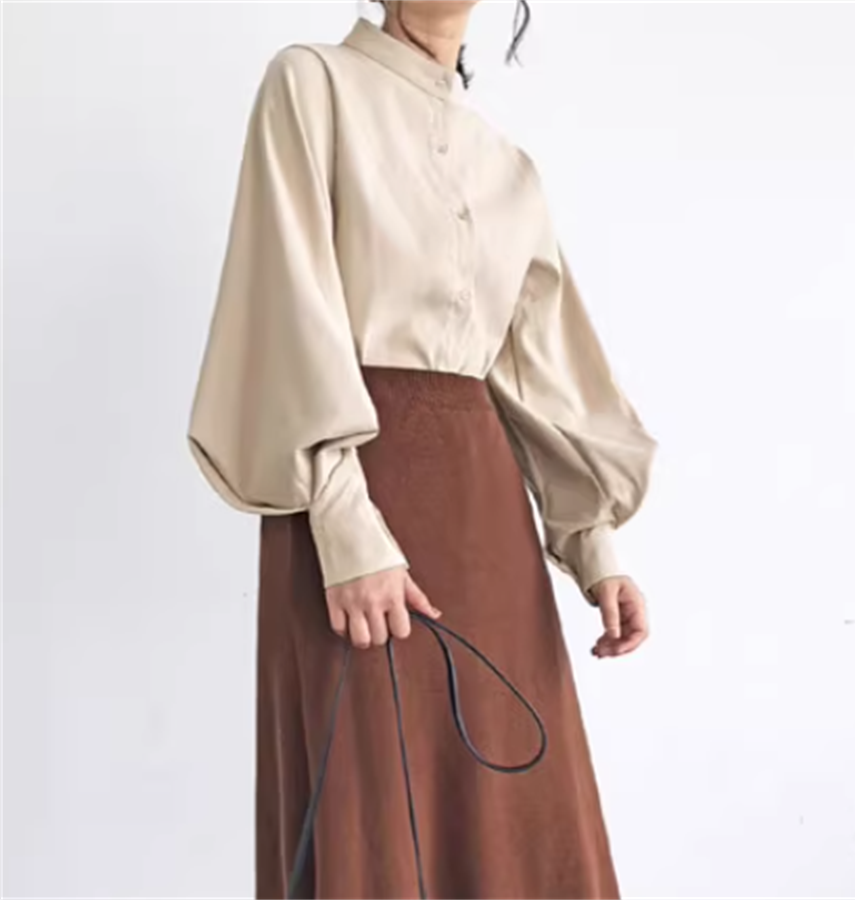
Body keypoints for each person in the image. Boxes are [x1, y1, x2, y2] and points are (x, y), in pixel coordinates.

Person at [188, 1, 657, 898]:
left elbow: (538, 374)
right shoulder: (312, 85)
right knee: (372, 813)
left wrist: (595, 549)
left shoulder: (507, 168)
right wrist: (348, 530)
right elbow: (290, 308)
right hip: (351, 505)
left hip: (488, 529)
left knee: (515, 815)